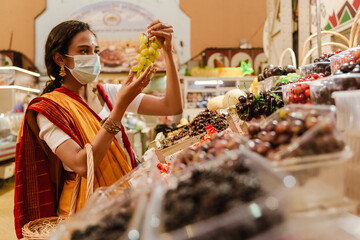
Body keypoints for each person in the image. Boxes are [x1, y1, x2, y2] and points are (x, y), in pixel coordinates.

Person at [14, 19, 182, 238]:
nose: (93, 57)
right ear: (60, 59)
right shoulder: (48, 109)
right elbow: (83, 164)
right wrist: (120, 108)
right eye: (84, 51)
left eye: (95, 50)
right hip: (84, 213)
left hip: (124, 202)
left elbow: (172, 106)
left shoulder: (108, 93)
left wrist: (167, 54)